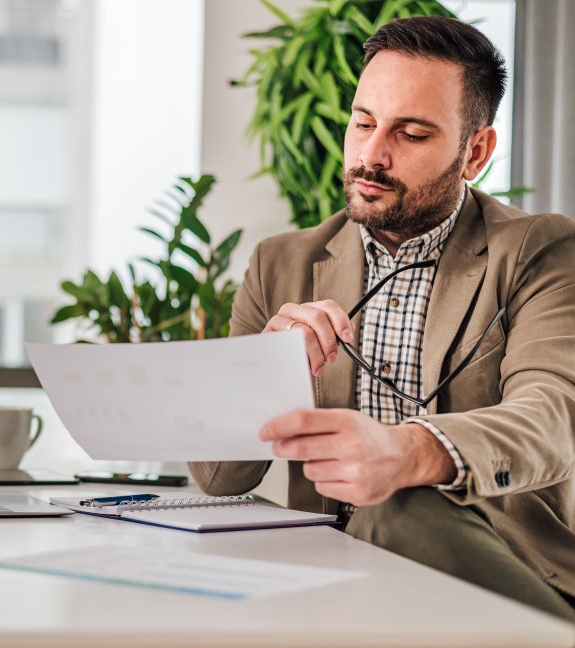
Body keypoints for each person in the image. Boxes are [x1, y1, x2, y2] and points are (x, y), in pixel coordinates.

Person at [190, 16, 575, 620]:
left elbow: (553, 419)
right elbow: (218, 477)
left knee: (400, 504)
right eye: (363, 123)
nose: (371, 155)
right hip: (327, 586)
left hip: (505, 574)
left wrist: (408, 453)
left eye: (411, 134)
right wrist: (259, 373)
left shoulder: (540, 250)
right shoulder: (281, 263)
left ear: (474, 152)